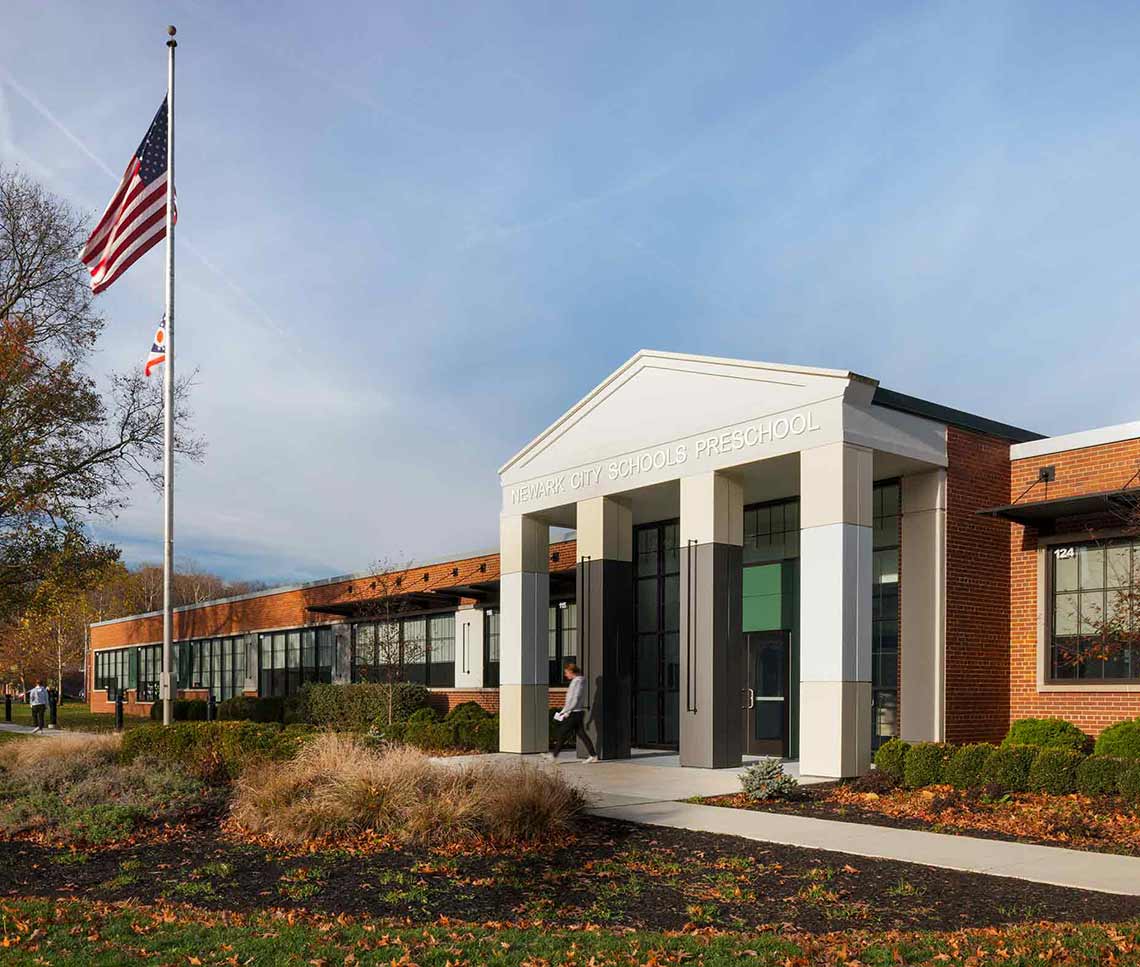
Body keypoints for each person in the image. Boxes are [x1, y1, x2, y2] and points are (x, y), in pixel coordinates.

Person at [550, 662, 597, 763]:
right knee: (581, 734)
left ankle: (554, 756)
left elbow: (575, 698)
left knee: (563, 733)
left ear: (571, 672)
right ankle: (593, 755)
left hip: (574, 713)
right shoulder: (577, 681)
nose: (565, 675)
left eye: (566, 672)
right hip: (576, 712)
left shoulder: (578, 681)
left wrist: (565, 711)